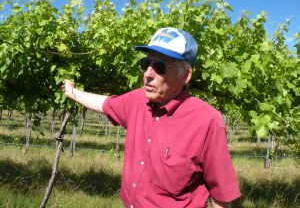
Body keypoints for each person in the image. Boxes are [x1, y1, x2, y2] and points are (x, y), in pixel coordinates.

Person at [61, 27, 241, 208]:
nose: (147, 74)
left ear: (185, 75)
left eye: (159, 67)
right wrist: (72, 92)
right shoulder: (137, 100)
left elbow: (221, 197)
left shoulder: (207, 121)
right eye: (146, 63)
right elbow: (105, 104)